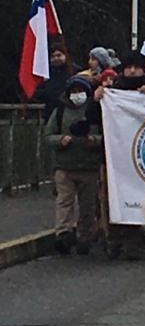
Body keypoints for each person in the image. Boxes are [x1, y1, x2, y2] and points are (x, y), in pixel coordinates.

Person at [94, 50, 145, 260]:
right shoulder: (113, 91)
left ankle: (134, 241)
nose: (132, 71)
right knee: (112, 198)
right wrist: (98, 98)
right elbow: (94, 119)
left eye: (136, 67)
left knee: (137, 197)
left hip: (141, 156)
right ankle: (114, 238)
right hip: (114, 156)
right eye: (128, 67)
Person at [45, 75, 103, 255]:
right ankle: (63, 234)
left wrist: (94, 140)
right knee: (64, 201)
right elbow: (48, 135)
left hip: (88, 167)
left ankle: (85, 237)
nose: (77, 95)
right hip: (65, 166)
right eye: (74, 91)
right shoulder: (60, 112)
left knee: (88, 206)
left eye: (80, 91)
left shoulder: (95, 111)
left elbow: (108, 135)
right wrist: (60, 139)